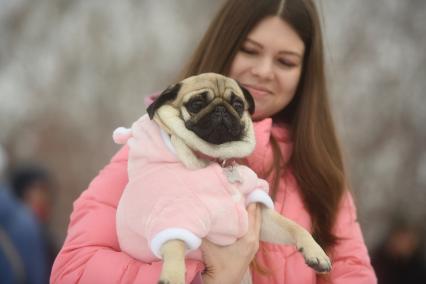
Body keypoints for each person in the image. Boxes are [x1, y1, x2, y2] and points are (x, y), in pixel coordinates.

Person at [51, 0, 377, 283]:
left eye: (286, 61)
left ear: (305, 74)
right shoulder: (149, 153)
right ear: (224, 45)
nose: (264, 71)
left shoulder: (320, 173)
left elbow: (353, 274)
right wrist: (207, 278)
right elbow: (73, 270)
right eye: (249, 50)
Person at [0, 146, 49, 284]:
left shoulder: (25, 225)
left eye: (43, 190)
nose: (39, 197)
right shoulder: (26, 223)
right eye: (32, 189)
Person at [9, 164, 59, 272]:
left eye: (47, 191)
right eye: (39, 190)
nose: (44, 198)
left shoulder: (47, 239)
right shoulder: (14, 238)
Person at [371, 220, 426, 284]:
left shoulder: (418, 267)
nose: (404, 244)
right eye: (402, 239)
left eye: (409, 241)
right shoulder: (379, 262)